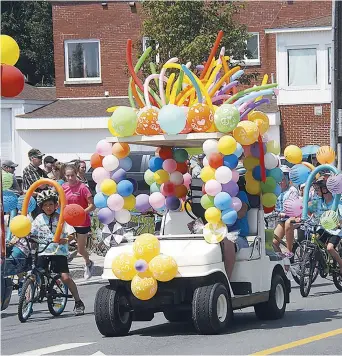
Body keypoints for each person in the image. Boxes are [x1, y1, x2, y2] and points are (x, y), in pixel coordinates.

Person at [31, 190, 85, 315]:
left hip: (58, 252)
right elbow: (31, 231)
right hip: (43, 251)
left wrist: (65, 240)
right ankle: (28, 302)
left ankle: (78, 302)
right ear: (41, 207)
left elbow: (72, 234)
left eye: (50, 204)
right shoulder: (39, 219)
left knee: (65, 277)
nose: (48, 207)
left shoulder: (61, 218)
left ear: (56, 205)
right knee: (35, 275)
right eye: (45, 205)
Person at [62, 164, 95, 279]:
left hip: (82, 221)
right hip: (68, 221)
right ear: (65, 176)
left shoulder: (83, 188)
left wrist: (82, 212)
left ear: (76, 175)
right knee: (62, 243)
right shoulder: (63, 187)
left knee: (81, 249)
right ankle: (64, 269)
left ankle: (88, 263)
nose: (70, 178)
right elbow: (60, 204)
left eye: (72, 175)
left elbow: (92, 206)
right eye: (68, 176)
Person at [222, 178, 251, 278]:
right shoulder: (217, 197)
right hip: (219, 234)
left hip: (238, 237)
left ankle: (227, 280)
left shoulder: (241, 194)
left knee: (227, 242)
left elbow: (241, 213)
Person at [273, 168, 299, 256]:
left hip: (293, 217)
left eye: (283, 179)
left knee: (288, 223)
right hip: (282, 219)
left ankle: (289, 251)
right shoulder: (277, 191)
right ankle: (283, 261)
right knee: (274, 242)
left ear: (288, 179)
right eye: (278, 180)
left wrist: (284, 213)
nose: (280, 182)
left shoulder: (292, 190)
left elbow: (293, 208)